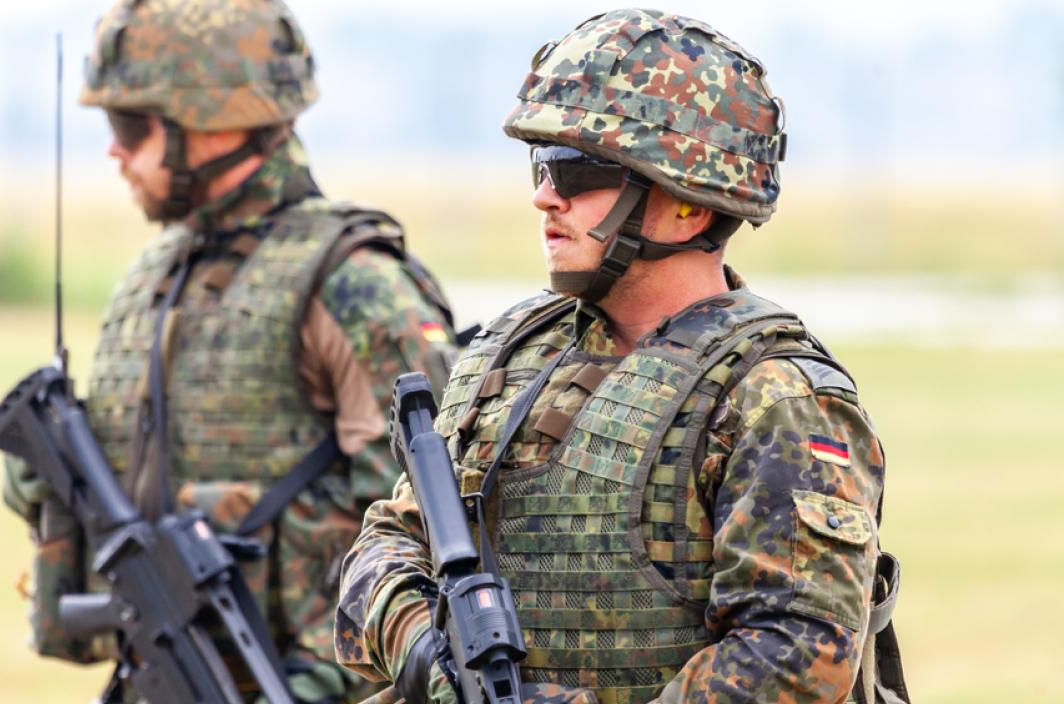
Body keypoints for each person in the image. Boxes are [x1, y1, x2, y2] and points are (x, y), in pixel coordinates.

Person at [336, 9, 906, 704]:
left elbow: (795, 656)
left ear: (690, 203)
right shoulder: (510, 354)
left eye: (577, 172)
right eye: (541, 165)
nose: (544, 196)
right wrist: (430, 654)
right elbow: (391, 540)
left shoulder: (774, 398)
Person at [0, 1, 457, 702]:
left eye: (129, 125)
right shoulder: (153, 278)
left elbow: (434, 526)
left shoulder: (353, 284)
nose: (114, 152)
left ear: (214, 121)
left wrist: (319, 683)